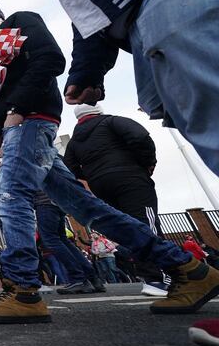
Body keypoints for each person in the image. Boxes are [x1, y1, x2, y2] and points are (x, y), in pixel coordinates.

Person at [0, 0, 219, 324]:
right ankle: (187, 268)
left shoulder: (18, 22)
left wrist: (16, 111)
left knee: (10, 195)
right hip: (18, 131)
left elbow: (50, 59)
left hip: (31, 121)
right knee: (88, 209)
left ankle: (22, 290)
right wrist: (0, 142)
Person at [43, 0, 219, 176]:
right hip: (140, 20)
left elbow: (137, 138)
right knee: (175, 108)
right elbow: (87, 13)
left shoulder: (111, 125)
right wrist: (86, 71)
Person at [63, 103, 171, 296]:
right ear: (99, 110)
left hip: (100, 185)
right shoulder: (113, 121)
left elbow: (69, 167)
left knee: (128, 227)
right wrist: (147, 163)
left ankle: (150, 276)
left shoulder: (74, 142)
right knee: (146, 223)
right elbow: (140, 137)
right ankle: (160, 277)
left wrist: (90, 177)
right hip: (130, 177)